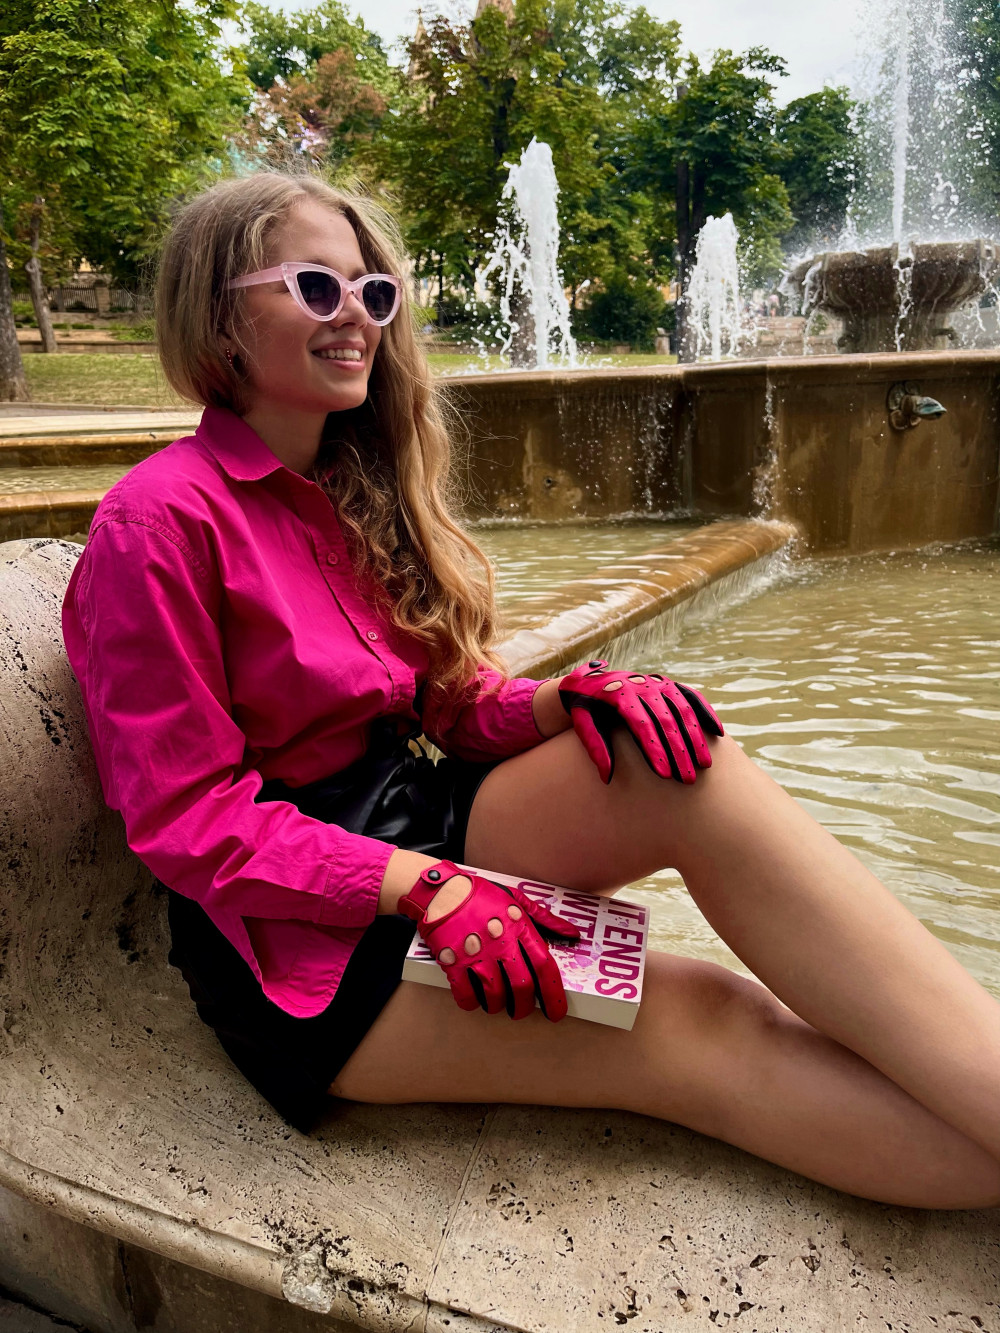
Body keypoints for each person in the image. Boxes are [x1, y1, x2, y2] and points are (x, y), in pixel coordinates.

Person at [63, 172, 1000, 1211]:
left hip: (419, 818)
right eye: (317, 288)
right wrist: (425, 886)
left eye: (374, 293)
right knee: (708, 1017)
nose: (358, 317)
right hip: (295, 943)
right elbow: (187, 817)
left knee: (674, 757)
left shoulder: (357, 484)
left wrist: (569, 701)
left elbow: (450, 707)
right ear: (218, 316)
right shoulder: (156, 524)